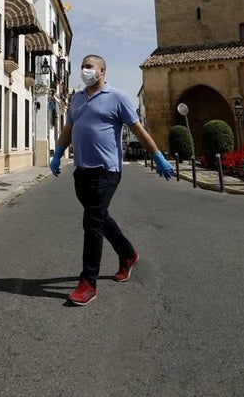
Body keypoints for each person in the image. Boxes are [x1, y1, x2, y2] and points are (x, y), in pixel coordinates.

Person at [49, 54, 174, 306]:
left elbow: (138, 129)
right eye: (82, 67)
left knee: (92, 221)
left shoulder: (117, 97)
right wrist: (58, 153)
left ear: (103, 71)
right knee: (100, 216)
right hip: (81, 170)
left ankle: (88, 283)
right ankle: (128, 254)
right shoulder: (77, 99)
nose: (84, 71)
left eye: (89, 67)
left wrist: (158, 156)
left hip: (107, 171)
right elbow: (68, 128)